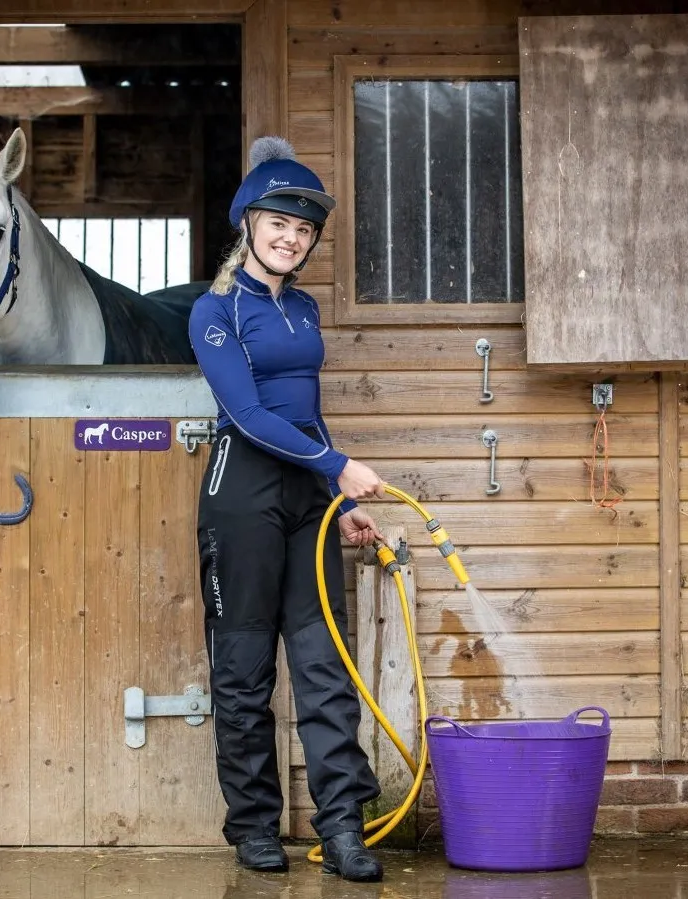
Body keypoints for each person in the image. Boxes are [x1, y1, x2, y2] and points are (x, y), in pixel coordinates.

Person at [187, 136, 387, 883]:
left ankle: (342, 828)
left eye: (303, 230)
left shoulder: (301, 309)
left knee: (323, 667)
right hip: (240, 494)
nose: (290, 237)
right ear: (248, 223)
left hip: (306, 498)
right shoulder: (213, 310)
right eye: (278, 223)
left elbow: (304, 412)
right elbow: (244, 413)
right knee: (242, 670)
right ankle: (252, 827)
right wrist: (339, 467)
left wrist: (334, 497)